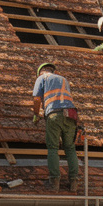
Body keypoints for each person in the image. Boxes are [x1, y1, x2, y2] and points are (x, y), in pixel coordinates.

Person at [30, 62, 80, 192]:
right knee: (70, 148)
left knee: (53, 147)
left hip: (54, 114)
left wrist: (36, 114)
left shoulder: (42, 78)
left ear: (41, 72)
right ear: (53, 71)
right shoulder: (64, 79)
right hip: (71, 114)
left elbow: (36, 99)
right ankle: (74, 183)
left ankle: (54, 182)